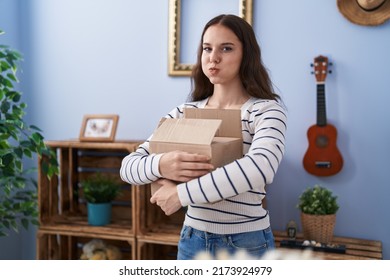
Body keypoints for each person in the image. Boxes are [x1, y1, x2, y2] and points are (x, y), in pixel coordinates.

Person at [120, 14, 287, 260]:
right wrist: (162, 164)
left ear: (246, 55)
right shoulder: (184, 113)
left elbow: (260, 168)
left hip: (246, 244)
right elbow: (128, 167)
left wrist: (180, 194)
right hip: (192, 240)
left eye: (226, 48)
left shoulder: (265, 111)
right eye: (207, 48)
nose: (213, 57)